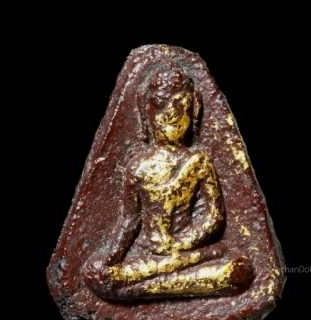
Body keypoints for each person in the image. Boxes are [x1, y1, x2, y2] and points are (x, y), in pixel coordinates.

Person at [83, 64, 253, 300]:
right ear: (146, 111)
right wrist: (112, 257)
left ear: (193, 111)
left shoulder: (198, 161)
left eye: (182, 106)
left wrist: (182, 244)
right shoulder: (137, 167)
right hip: (149, 256)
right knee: (94, 272)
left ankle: (136, 289)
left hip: (186, 252)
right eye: (161, 104)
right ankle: (161, 283)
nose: (172, 114)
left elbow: (214, 217)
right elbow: (130, 222)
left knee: (239, 269)